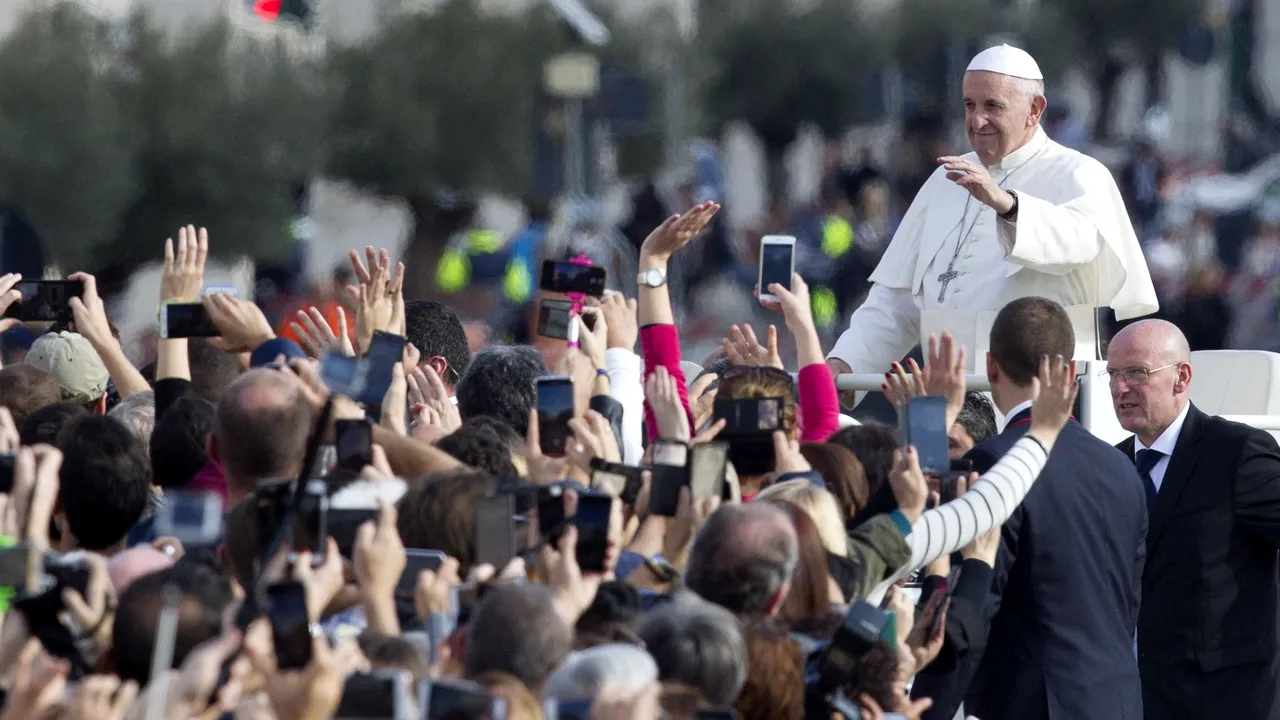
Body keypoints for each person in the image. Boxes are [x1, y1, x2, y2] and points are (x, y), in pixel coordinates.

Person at [826, 45, 1156, 388]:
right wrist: (846, 362)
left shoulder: (1079, 173)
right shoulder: (944, 179)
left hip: (1039, 398)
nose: (977, 120)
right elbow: (898, 301)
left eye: (992, 106)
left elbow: (1078, 243)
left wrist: (1008, 205)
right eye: (970, 105)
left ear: (1034, 109)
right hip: (948, 399)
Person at [941, 297, 1146, 720]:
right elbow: (1128, 600)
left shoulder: (990, 463)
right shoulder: (1122, 466)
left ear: (991, 367)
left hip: (1030, 704)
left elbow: (974, 599)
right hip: (1117, 701)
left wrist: (933, 703)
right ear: (1070, 372)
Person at [1109, 319, 1280, 719]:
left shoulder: (1237, 452)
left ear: (1181, 377)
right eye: (1113, 374)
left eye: (1137, 372)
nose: (1120, 388)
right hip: (1137, 702)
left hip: (1227, 702)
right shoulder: (1110, 466)